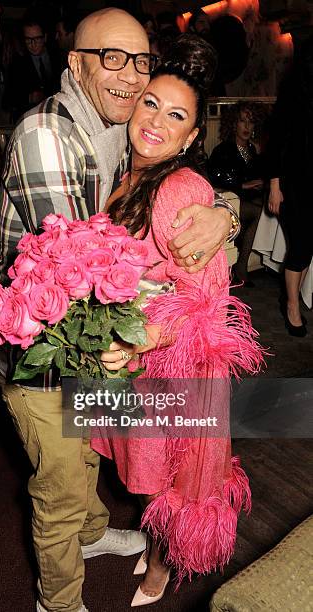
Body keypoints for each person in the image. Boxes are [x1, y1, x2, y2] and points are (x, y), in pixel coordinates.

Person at [0, 8, 240, 612]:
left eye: (140, 63)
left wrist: (223, 210)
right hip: (43, 360)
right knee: (62, 487)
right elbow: (71, 274)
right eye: (113, 58)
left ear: (189, 136)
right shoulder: (53, 135)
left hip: (139, 359)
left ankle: (108, 540)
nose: (132, 82)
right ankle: (61, 601)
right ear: (75, 64)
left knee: (149, 475)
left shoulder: (129, 144)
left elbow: (204, 292)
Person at [93, 34, 263, 607]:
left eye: (177, 115)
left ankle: (162, 569)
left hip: (167, 372)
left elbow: (207, 303)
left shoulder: (180, 188)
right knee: (145, 479)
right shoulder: (129, 175)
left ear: (192, 136)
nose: (157, 122)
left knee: (168, 483)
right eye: (151, 104)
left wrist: (140, 343)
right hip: (136, 368)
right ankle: (153, 542)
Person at [267, 35, 313, 337]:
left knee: (308, 249)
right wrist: (274, 185)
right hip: (294, 183)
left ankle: (293, 297)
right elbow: (275, 142)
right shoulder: (294, 89)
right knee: (300, 248)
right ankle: (292, 306)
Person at [209, 101, 265, 285]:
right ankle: (241, 266)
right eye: (242, 121)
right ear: (234, 124)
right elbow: (216, 179)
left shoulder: (251, 150)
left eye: (251, 122)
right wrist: (245, 185)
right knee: (259, 212)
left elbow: (260, 176)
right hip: (229, 203)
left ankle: (244, 266)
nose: (247, 127)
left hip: (248, 201)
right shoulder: (223, 150)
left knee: (264, 209)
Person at [4, 16, 60, 123]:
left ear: (45, 37)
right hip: (30, 121)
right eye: (28, 40)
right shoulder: (17, 64)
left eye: (37, 39)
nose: (33, 44)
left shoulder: (57, 57)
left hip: (56, 119)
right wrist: (28, 98)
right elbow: (7, 100)